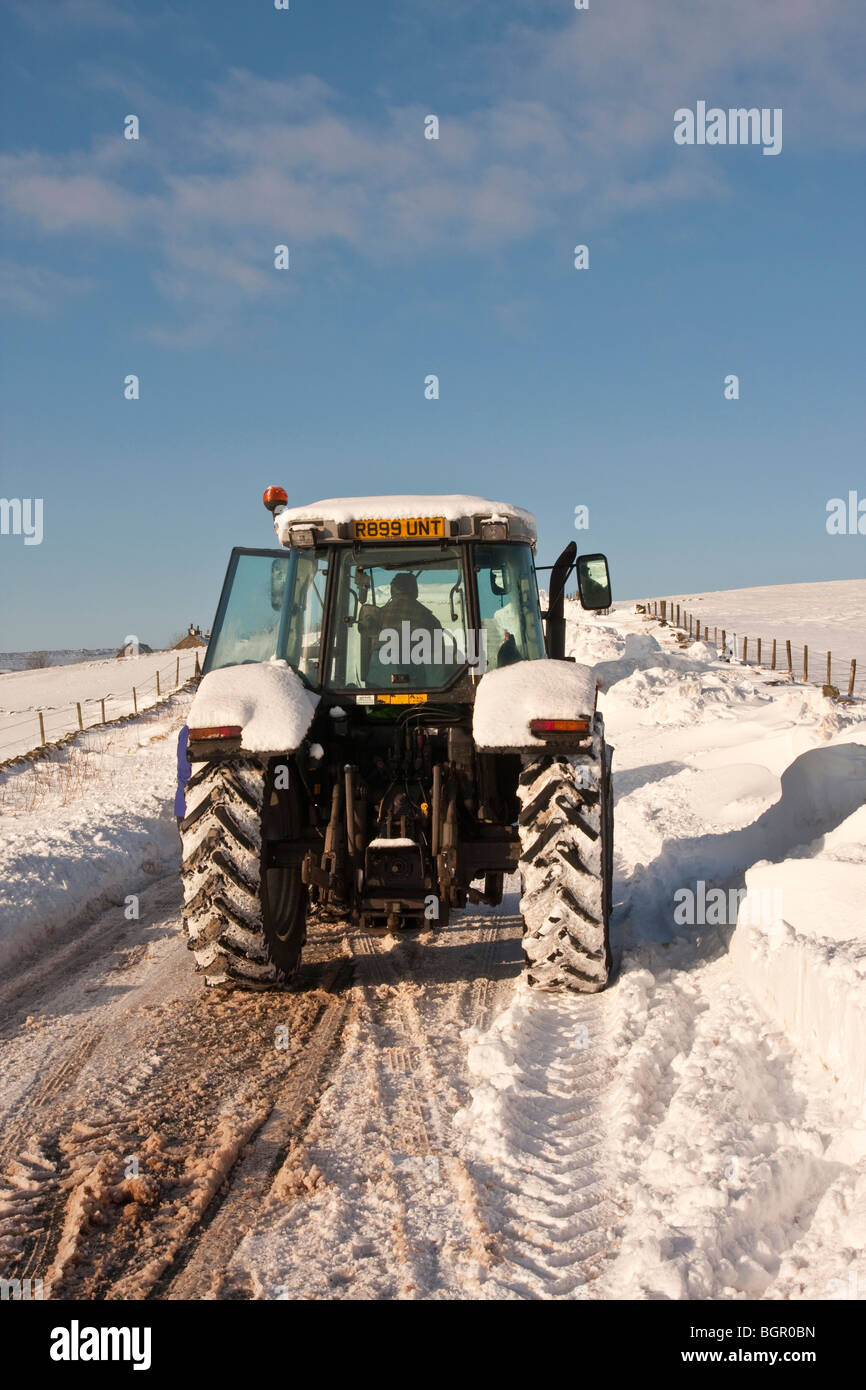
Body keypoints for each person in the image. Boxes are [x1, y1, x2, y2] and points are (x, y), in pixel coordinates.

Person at [361, 572, 443, 686]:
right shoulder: (429, 618)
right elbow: (438, 662)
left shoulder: (377, 616)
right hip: (418, 687)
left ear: (392, 591)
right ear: (415, 591)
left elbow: (368, 652)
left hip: (378, 685)